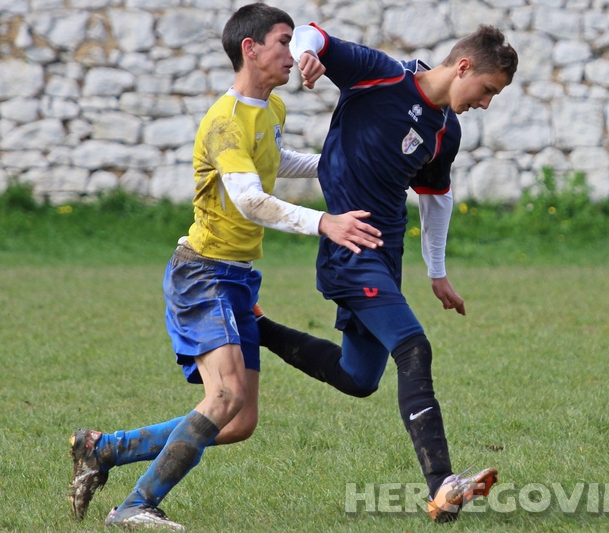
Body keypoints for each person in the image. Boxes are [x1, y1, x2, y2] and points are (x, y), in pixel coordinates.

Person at [67, 4, 382, 530]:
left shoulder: (271, 110)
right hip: (204, 272)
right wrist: (325, 222)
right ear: (250, 49)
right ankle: (134, 507)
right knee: (226, 396)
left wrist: (339, 165)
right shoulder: (225, 121)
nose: (293, 52)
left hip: (235, 277)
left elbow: (274, 163)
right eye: (284, 41)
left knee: (237, 421)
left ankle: (102, 450)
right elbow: (251, 201)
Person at [254, 23, 518, 523]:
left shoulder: (447, 130)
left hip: (386, 254)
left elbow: (436, 198)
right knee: (413, 346)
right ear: (463, 67)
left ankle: (256, 327)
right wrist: (308, 56)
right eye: (487, 90)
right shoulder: (381, 75)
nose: (486, 103)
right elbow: (312, 34)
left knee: (359, 377)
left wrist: (437, 272)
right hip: (349, 249)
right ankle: (442, 484)